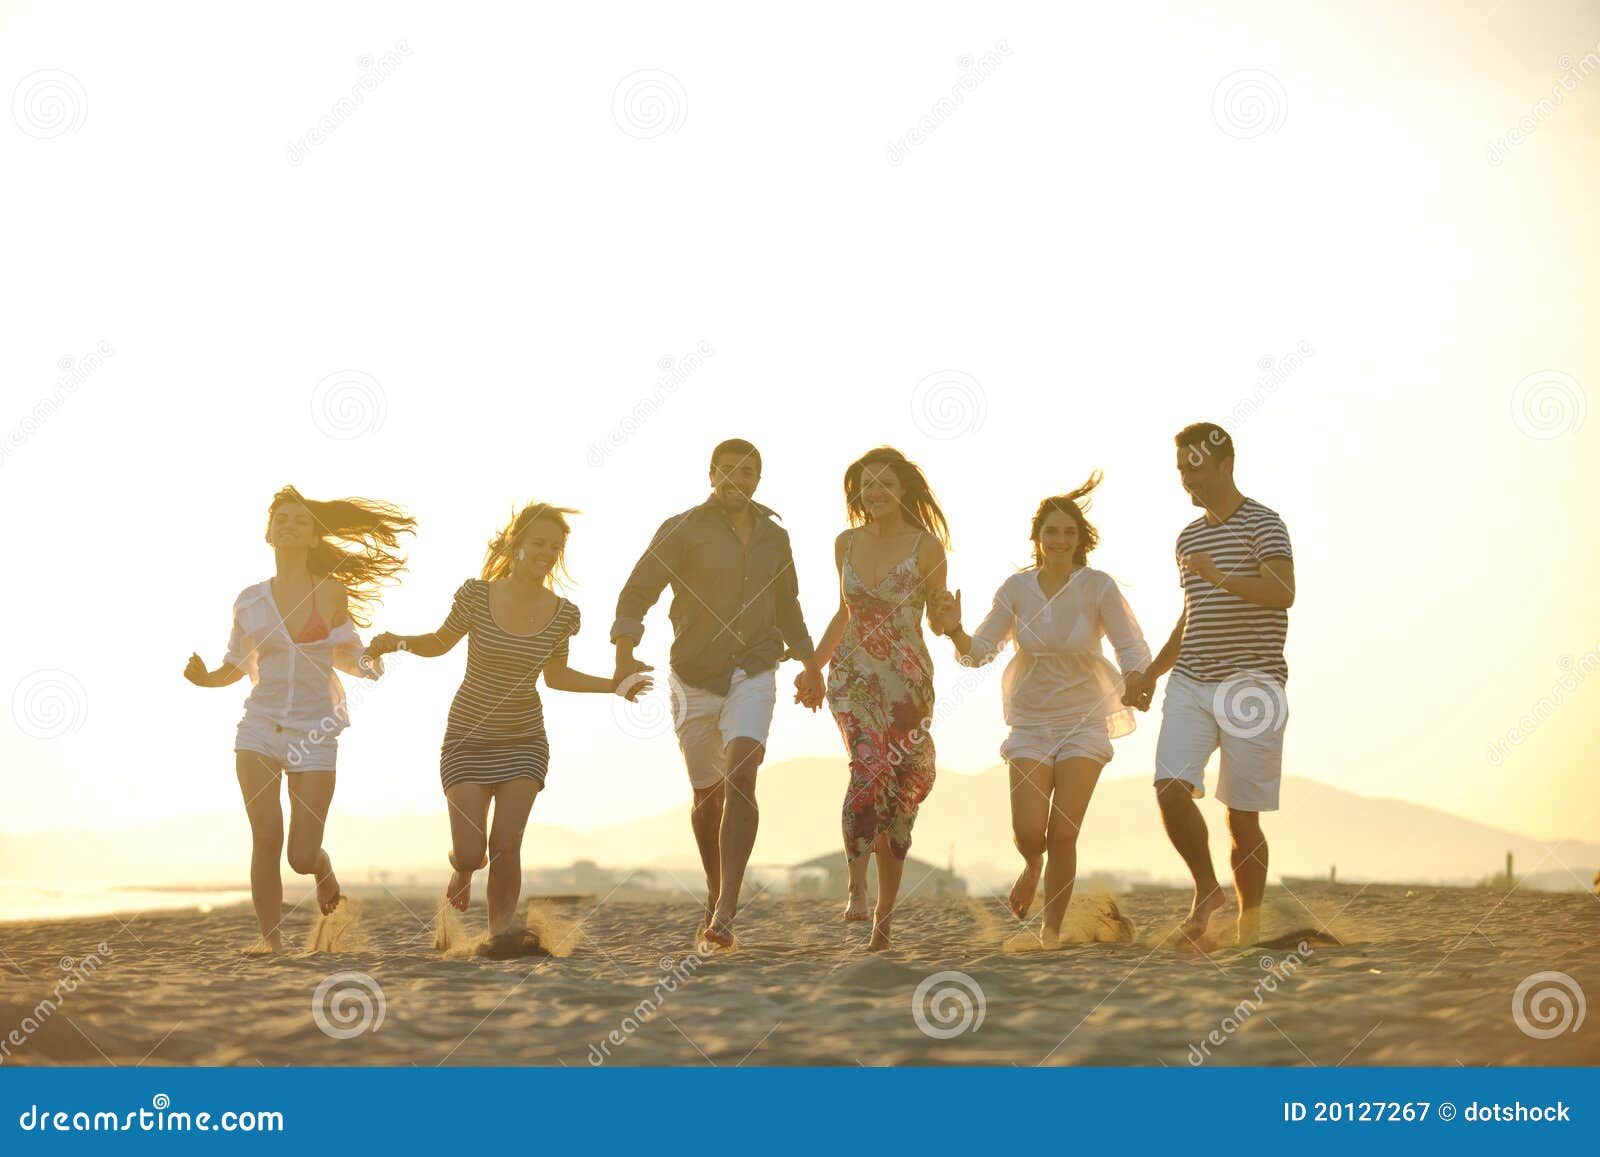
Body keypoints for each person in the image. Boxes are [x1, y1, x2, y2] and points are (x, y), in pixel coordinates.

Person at [367, 503, 648, 957]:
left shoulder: (563, 614)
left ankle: (499, 935)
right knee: (470, 851)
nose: (546, 552)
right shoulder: (477, 596)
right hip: (467, 739)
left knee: (506, 845)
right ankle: (461, 871)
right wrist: (395, 641)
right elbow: (440, 643)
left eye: (555, 546)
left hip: (524, 742)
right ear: (517, 545)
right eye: (538, 542)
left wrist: (613, 687)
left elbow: (556, 677)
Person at [184, 485, 413, 953]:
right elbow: (234, 663)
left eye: (300, 520)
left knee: (302, 856)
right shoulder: (249, 600)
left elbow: (349, 658)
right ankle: (273, 943)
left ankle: (324, 874)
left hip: (317, 730)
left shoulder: (330, 592)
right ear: (269, 533)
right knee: (266, 838)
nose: (289, 525)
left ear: (312, 538)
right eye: (281, 519)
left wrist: (376, 658)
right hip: (260, 728)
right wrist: (204, 679)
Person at [611, 440, 819, 948]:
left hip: (755, 669)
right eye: (727, 470)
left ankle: (726, 906)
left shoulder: (775, 537)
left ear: (758, 479)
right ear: (710, 474)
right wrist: (623, 652)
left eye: (748, 472)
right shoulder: (682, 528)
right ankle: (713, 888)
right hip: (693, 674)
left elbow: (787, 603)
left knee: (742, 776)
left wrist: (810, 661)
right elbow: (639, 589)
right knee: (707, 795)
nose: (737, 479)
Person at [929, 474, 1151, 948]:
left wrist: (1136, 678)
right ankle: (1032, 865)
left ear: (1080, 539)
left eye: (1069, 532)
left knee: (1063, 832)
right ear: (1037, 538)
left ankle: (1050, 932)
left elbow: (1129, 642)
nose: (1060, 540)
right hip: (1030, 721)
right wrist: (952, 631)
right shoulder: (1016, 589)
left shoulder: (1097, 586)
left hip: (1084, 721)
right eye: (1052, 531)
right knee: (1031, 832)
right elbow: (979, 651)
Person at [1122, 422, 1295, 947]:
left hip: (1253, 686)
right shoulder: (1188, 537)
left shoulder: (1264, 523)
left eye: (1194, 466)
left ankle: (1250, 924)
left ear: (1225, 465)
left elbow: (1283, 591)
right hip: (1192, 681)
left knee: (1242, 821)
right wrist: (1151, 672)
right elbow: (1190, 616)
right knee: (1169, 788)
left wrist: (1220, 574)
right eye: (1180, 468)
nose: (1186, 477)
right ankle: (1206, 889)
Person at [802, 447, 950, 951]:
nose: (876, 492)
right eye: (868, 484)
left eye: (887, 483)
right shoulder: (844, 543)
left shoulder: (927, 548)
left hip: (907, 682)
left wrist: (951, 619)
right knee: (868, 769)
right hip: (854, 677)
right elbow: (844, 612)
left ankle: (883, 921)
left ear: (904, 489)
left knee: (900, 794)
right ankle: (856, 886)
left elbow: (937, 617)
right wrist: (813, 668)